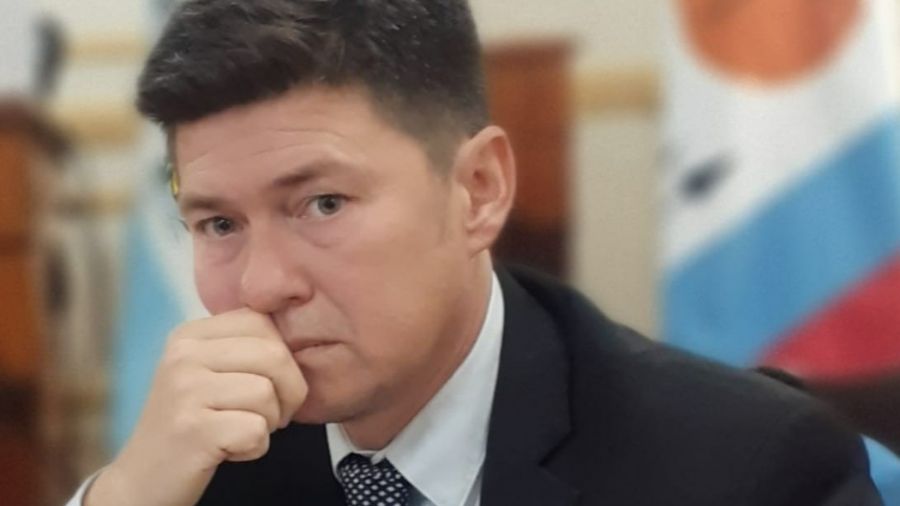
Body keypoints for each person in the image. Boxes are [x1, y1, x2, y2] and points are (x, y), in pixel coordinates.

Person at [70, 1, 883, 505]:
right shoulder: (208, 464)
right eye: (218, 225)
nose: (261, 285)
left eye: (323, 204)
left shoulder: (747, 470)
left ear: (479, 190)